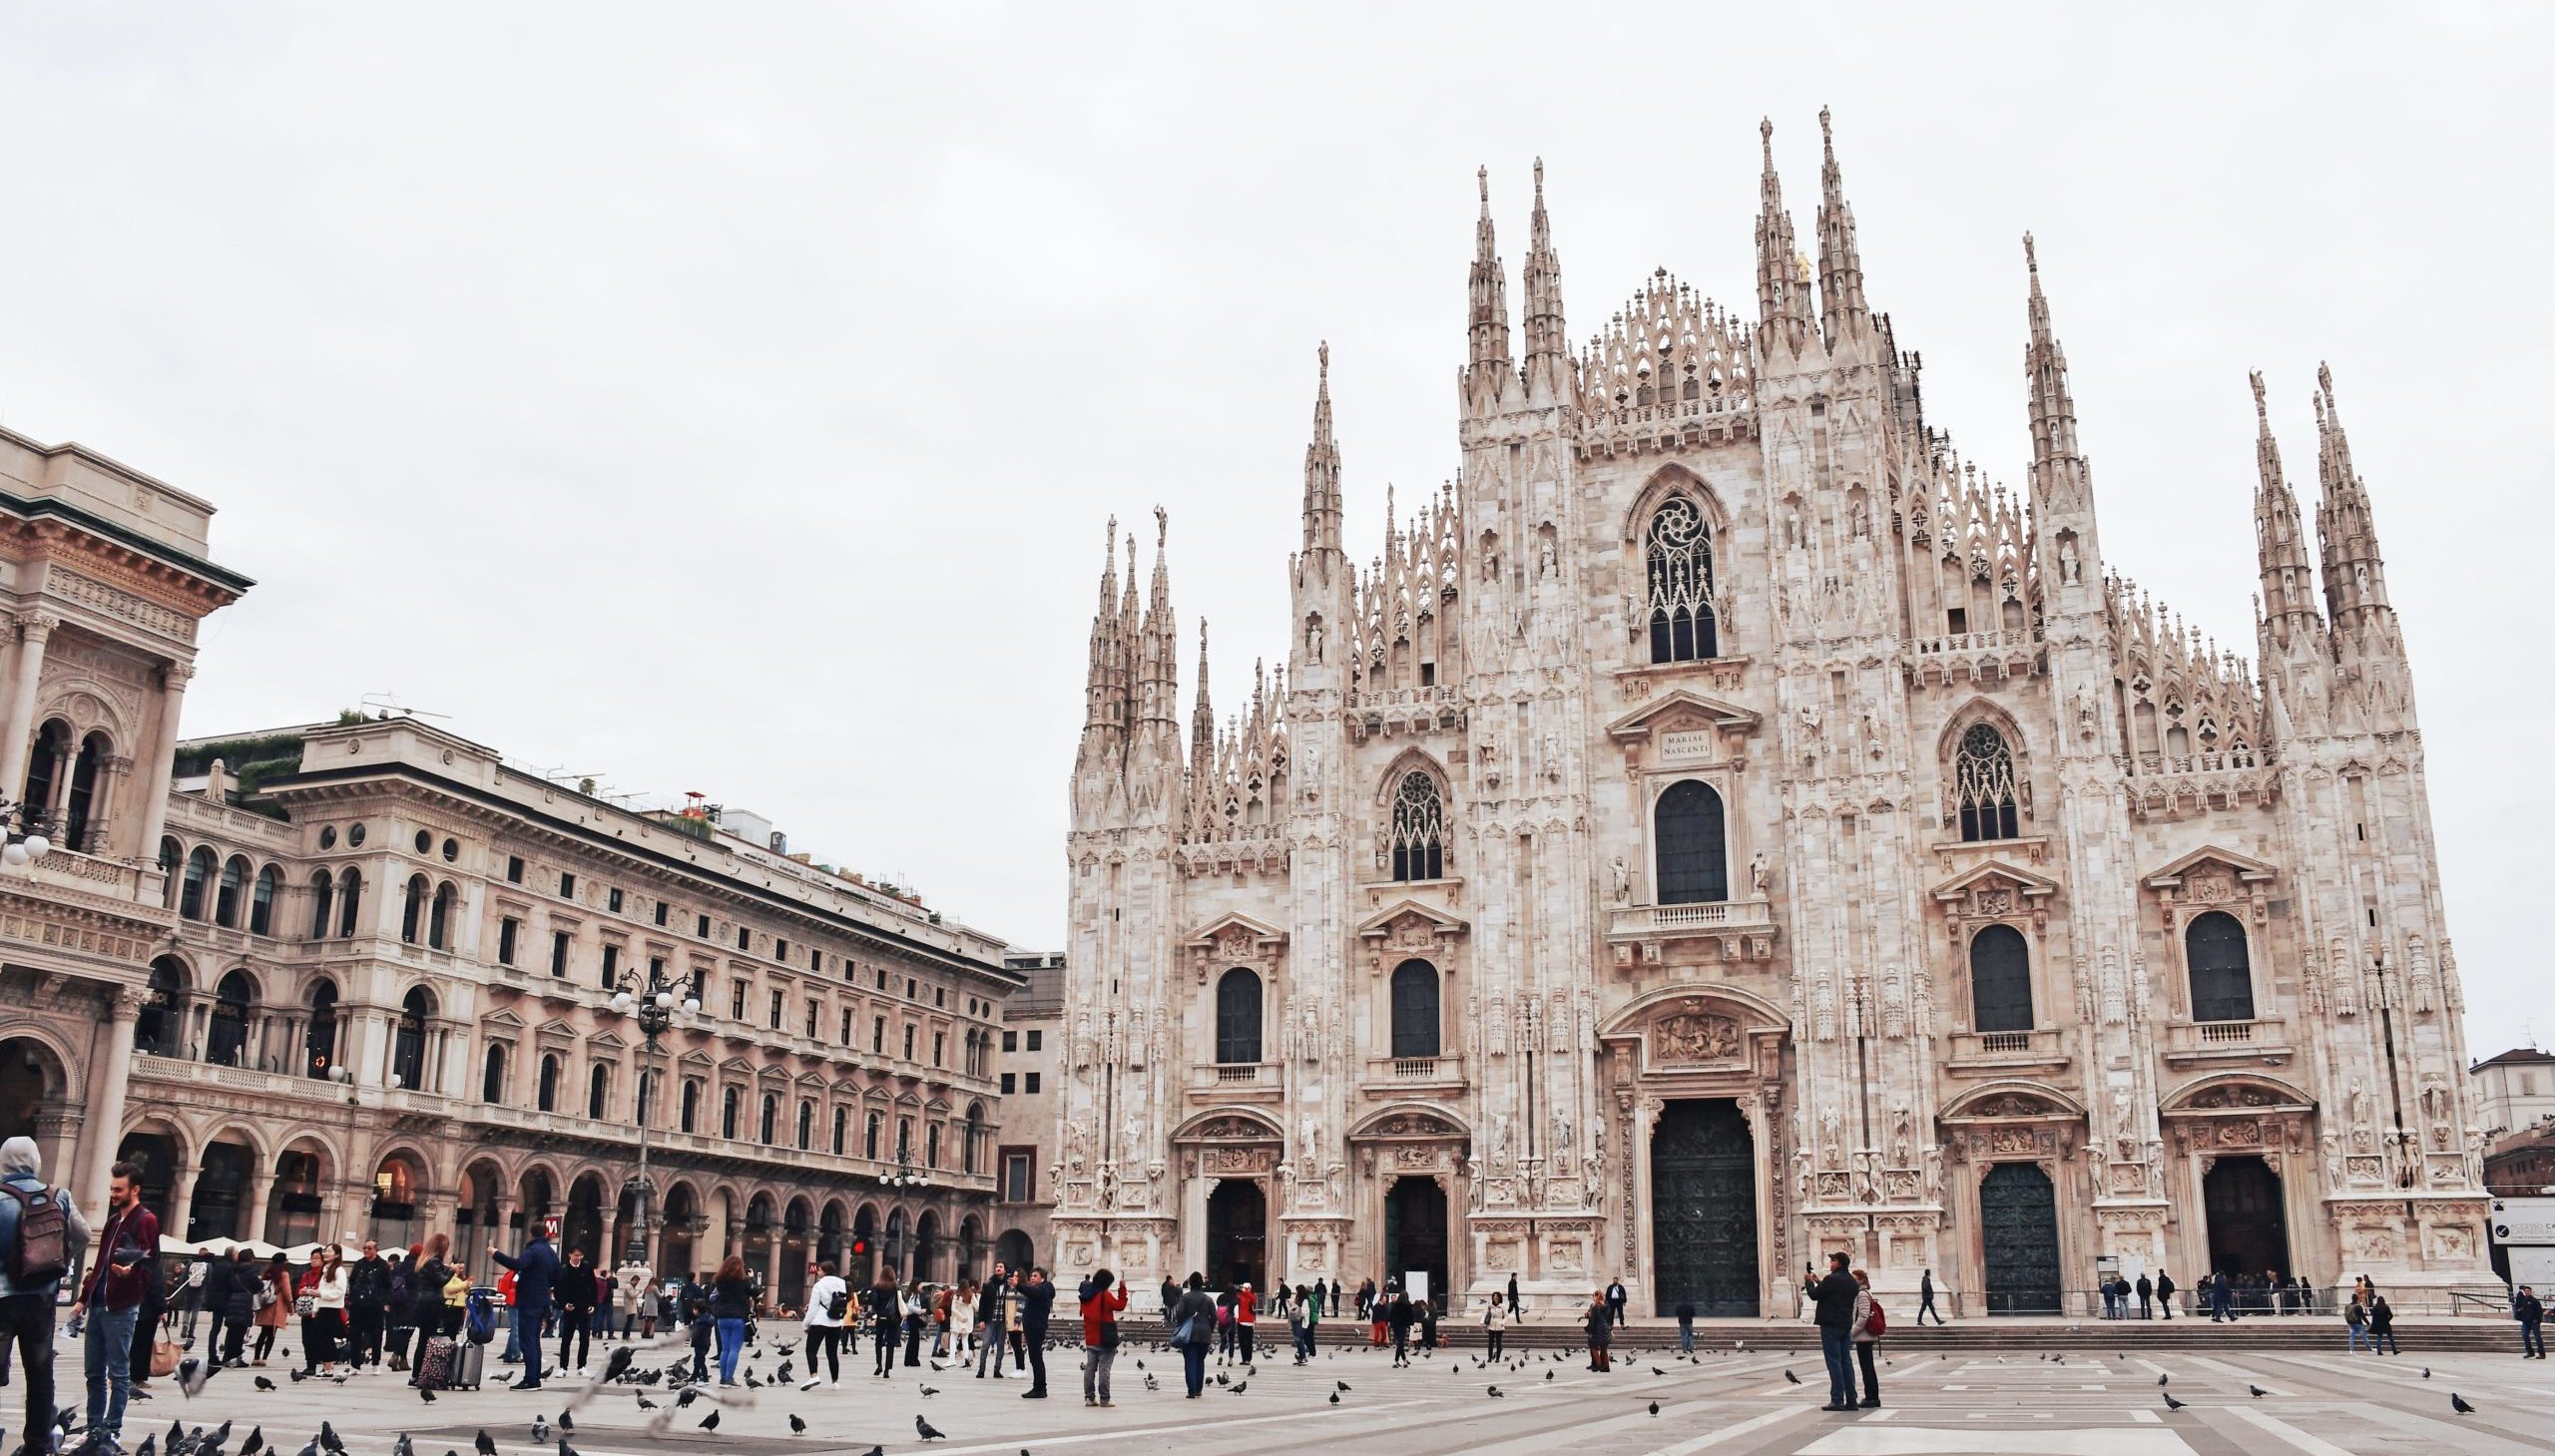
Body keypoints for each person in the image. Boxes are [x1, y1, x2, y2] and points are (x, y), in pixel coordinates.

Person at [0, 1135, 87, 1455]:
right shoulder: (58, 1196)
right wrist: (59, 1263)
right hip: (42, 1297)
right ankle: (36, 1444)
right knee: (39, 1372)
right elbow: (83, 1234)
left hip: (3, 1298)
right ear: (35, 1160)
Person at [72, 1163, 156, 1440]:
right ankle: (94, 1426)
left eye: (119, 1189)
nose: (113, 1193)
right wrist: (83, 1299)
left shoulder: (145, 1220)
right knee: (93, 1371)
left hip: (121, 1306)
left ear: (136, 1189)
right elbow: (99, 1264)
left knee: (118, 1373)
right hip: (98, 1303)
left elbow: (148, 1258)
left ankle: (113, 1428)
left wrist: (131, 1272)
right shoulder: (112, 1221)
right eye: (111, 1189)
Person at [489, 1224, 559, 1389]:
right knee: (535, 1341)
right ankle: (535, 1378)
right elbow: (557, 1276)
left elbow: (517, 1264)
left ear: (532, 1234)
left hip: (529, 1301)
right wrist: (544, 1286)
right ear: (546, 1234)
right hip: (543, 1301)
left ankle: (531, 1380)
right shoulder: (551, 1253)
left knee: (527, 1341)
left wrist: (496, 1254)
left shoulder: (533, 1250)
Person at [1805, 1251, 1860, 1413]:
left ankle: (1837, 1399)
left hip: (1830, 1325)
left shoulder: (1832, 1279)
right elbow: (1834, 1293)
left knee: (1834, 1362)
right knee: (1846, 1362)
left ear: (1840, 1263)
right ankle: (1852, 1400)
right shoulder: (1851, 1281)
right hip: (1845, 1325)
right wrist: (1819, 1282)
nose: (1831, 1263)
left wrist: (1809, 1283)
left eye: (1833, 1260)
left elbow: (1815, 1295)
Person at [1077, 1266, 1126, 1408]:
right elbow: (1120, 1305)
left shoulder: (1086, 1296)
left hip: (1091, 1337)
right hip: (1105, 1338)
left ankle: (1089, 1397)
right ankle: (1104, 1398)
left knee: (1090, 1369)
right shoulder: (1105, 1295)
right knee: (1104, 1369)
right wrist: (1122, 1288)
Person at [346, 1239, 391, 1370]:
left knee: (376, 1335)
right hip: (358, 1305)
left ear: (376, 1250)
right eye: (364, 1248)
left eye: (369, 1248)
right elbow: (352, 1280)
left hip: (375, 1305)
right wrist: (353, 1296)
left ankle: (375, 1363)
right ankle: (355, 1365)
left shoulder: (383, 1265)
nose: (366, 1250)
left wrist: (385, 1302)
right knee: (355, 1334)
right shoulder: (359, 1264)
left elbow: (388, 1285)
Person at [708, 1254, 752, 1385]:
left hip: (722, 1318)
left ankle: (722, 1378)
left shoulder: (719, 1281)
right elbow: (754, 1292)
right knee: (734, 1349)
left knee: (725, 1349)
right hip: (737, 1318)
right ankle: (729, 1378)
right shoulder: (744, 1282)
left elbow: (711, 1297)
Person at [555, 1247, 599, 1377]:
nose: (578, 1258)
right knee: (566, 1338)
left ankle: (582, 1366)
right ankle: (563, 1367)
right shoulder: (563, 1269)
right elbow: (558, 1289)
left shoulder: (586, 1268)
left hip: (584, 1307)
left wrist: (593, 1304)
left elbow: (593, 1287)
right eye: (576, 1255)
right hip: (570, 1307)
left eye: (580, 1255)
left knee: (584, 1338)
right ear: (570, 1255)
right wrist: (563, 1304)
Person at [1171, 1273, 1216, 1398]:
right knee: (1200, 1361)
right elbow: (1214, 1317)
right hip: (1204, 1333)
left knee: (1190, 1361)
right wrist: (1209, 1329)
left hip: (1189, 1334)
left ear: (1189, 1283)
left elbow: (1179, 1313)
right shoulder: (1208, 1299)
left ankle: (1191, 1390)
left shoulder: (1185, 1298)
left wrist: (1182, 1324)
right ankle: (1198, 1389)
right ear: (1202, 1284)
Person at [803, 1260, 847, 1388]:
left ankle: (814, 1376)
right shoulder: (842, 1283)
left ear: (826, 1271)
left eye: (820, 1270)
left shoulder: (819, 1285)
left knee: (811, 1350)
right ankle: (835, 1382)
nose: (817, 1272)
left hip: (820, 1322)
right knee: (832, 1353)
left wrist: (806, 1325)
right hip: (836, 1322)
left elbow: (812, 1308)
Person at [1018, 1266, 1053, 1398]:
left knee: (1036, 1358)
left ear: (1042, 1278)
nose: (1032, 1278)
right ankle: (1039, 1387)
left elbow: (1030, 1292)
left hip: (1036, 1328)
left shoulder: (1042, 1290)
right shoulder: (1043, 1289)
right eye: (1031, 1276)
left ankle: (1040, 1388)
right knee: (1035, 1358)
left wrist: (1018, 1285)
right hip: (1033, 1328)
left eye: (1035, 1276)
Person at [1849, 1268, 1882, 1409]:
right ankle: (1872, 1397)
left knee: (1867, 1368)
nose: (1853, 1282)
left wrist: (1851, 1335)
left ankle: (1871, 1397)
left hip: (1864, 1336)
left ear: (1862, 1279)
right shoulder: (1864, 1292)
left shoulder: (1862, 1294)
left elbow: (1863, 1316)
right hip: (1865, 1336)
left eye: (1855, 1279)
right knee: (1868, 1367)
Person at [253, 1252, 291, 1364]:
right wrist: (291, 1307)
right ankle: (264, 1358)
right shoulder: (284, 1274)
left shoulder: (268, 1272)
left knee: (263, 1333)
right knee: (271, 1334)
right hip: (276, 1306)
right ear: (284, 1262)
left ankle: (256, 1358)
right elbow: (287, 1292)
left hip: (265, 1305)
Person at [974, 1266, 1010, 1379]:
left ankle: (997, 1370)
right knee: (985, 1344)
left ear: (1005, 1270)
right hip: (990, 1319)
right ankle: (981, 1370)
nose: (998, 1268)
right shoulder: (988, 1284)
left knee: (1000, 1345)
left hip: (1003, 1320)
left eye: (1001, 1267)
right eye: (997, 1267)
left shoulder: (1009, 1285)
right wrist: (981, 1320)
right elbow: (983, 1303)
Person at [868, 1266, 903, 1379]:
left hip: (881, 1317)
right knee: (891, 1343)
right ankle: (887, 1370)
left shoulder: (876, 1286)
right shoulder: (896, 1287)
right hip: (893, 1318)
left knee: (878, 1341)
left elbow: (874, 1302)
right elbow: (903, 1301)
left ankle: (879, 1365)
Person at [679, 1270, 713, 1383]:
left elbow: (696, 1330)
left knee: (699, 1360)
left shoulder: (701, 1321)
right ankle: (696, 1375)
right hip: (704, 1343)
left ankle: (704, 1376)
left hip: (700, 1343)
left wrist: (689, 1331)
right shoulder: (705, 1319)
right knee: (698, 1360)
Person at [615, 1255, 654, 1340]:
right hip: (629, 1307)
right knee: (628, 1322)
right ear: (634, 1280)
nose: (637, 1283)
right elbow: (632, 1296)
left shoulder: (631, 1287)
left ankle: (626, 1335)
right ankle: (625, 1336)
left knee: (629, 1322)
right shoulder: (629, 1286)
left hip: (632, 1307)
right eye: (636, 1281)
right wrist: (638, 1293)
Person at [1583, 1289, 1612, 1371]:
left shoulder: (1595, 1307)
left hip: (1597, 1330)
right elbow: (1607, 1317)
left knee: (1593, 1347)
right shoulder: (1606, 1306)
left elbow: (1593, 1321)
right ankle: (1606, 1367)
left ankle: (1598, 1364)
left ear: (1596, 1297)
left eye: (1594, 1296)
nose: (1593, 1298)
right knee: (1603, 1348)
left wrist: (1590, 1332)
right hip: (1605, 1329)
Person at [2516, 1283, 2545, 1359]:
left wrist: (2537, 1320)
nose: (2527, 1292)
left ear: (2531, 1291)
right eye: (2526, 1291)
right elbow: (2520, 1307)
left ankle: (2541, 1353)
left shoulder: (2535, 1301)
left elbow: (2539, 1311)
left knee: (2538, 1337)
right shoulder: (2523, 1300)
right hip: (2526, 1321)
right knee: (2525, 1335)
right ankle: (2530, 1352)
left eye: (2528, 1291)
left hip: (2534, 1322)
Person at [1234, 1280, 1257, 1366]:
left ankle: (1248, 1358)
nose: (1245, 1289)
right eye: (1244, 1288)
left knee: (1248, 1341)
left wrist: (1246, 1292)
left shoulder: (1252, 1296)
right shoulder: (1240, 1296)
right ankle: (1244, 1358)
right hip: (1240, 1321)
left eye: (1247, 1288)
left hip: (1249, 1322)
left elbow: (1253, 1300)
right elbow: (1235, 1299)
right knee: (1242, 1341)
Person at [2368, 1290, 2397, 1355]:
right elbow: (2391, 1315)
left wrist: (2373, 1325)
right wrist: (2387, 1320)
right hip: (2386, 1324)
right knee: (2390, 1337)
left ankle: (2379, 1351)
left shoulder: (2375, 1308)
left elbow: (2374, 1317)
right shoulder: (2386, 1307)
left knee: (2379, 1338)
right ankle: (2394, 1350)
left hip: (2379, 1325)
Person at [1483, 1290, 1507, 1361]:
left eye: (1496, 1296)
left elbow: (1506, 1316)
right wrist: (1482, 1322)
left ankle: (1497, 1358)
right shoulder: (1490, 1305)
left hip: (1500, 1326)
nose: (1495, 1297)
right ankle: (1490, 1358)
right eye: (1494, 1296)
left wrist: (1503, 1323)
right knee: (1490, 1343)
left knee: (1498, 1343)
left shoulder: (1502, 1306)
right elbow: (1485, 1314)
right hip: (1491, 1325)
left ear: (1499, 1298)